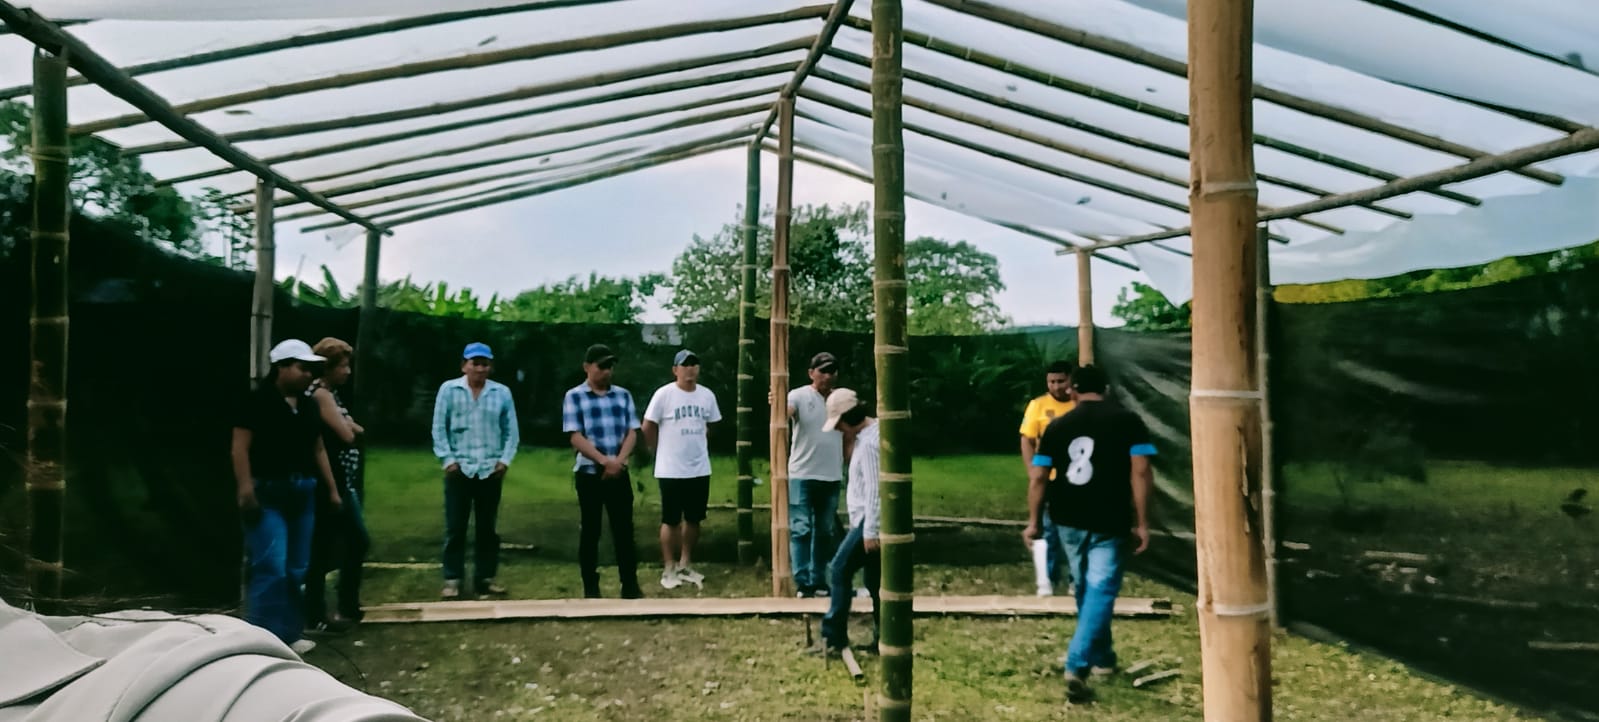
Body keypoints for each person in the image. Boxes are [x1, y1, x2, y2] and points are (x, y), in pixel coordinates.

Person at [1023, 365, 1156, 704]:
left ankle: (1103, 657)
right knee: (1100, 589)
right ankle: (1077, 663)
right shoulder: (1129, 421)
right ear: (1107, 389)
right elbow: (1141, 471)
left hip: (1066, 517)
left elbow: (1038, 477)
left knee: (1086, 587)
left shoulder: (1057, 426)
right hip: (1109, 518)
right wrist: (1142, 522)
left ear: (1073, 391)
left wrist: (1034, 521)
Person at [232, 339, 342, 655]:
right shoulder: (256, 401)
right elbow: (240, 447)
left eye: (312, 369)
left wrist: (332, 489)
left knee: (296, 569)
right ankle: (261, 641)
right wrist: (245, 488)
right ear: (281, 367)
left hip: (303, 492)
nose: (308, 375)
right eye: (302, 368)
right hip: (268, 492)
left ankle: (289, 634)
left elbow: (318, 448)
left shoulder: (308, 405)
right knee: (271, 566)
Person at [431, 341, 520, 600]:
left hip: (489, 469)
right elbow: (439, 427)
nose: (480, 369)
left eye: (485, 364)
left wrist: (504, 460)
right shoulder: (449, 390)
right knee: (455, 527)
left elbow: (511, 430)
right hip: (459, 468)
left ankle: (484, 579)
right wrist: (448, 460)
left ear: (490, 367)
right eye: (475, 363)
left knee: (487, 529)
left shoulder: (501, 393)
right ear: (464, 366)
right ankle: (452, 580)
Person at [563, 344, 644, 599]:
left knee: (624, 530)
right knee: (590, 530)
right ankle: (591, 587)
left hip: (618, 472)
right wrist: (603, 461)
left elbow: (632, 431)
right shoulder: (575, 396)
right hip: (589, 473)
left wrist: (618, 461)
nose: (607, 371)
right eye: (601, 366)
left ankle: (630, 585)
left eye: (610, 366)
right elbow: (575, 436)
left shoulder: (622, 396)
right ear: (587, 367)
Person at [302, 337, 371, 634]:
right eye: (343, 366)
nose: (348, 371)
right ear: (327, 367)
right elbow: (348, 434)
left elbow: (356, 428)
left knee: (347, 541)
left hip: (339, 478)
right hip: (328, 480)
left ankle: (344, 606)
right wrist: (350, 427)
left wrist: (351, 427)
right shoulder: (320, 394)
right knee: (331, 544)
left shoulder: (331, 394)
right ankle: (320, 611)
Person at [642, 349, 722, 590]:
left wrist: (699, 444)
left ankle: (685, 563)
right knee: (671, 519)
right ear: (675, 370)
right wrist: (657, 450)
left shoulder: (706, 395)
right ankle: (669, 566)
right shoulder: (664, 394)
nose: (690, 369)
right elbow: (648, 426)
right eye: (685, 365)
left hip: (698, 468)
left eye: (694, 364)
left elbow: (713, 425)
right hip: (671, 469)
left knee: (694, 518)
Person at [816, 389, 881, 656]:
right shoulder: (870, 435)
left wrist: (870, 530)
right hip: (866, 521)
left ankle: (833, 636)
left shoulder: (870, 444)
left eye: (839, 423)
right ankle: (883, 637)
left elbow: (876, 491)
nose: (838, 429)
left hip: (870, 521)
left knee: (840, 569)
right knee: (875, 581)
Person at [786, 351, 844, 597]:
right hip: (802, 473)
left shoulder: (841, 399)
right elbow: (786, 412)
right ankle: (803, 582)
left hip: (831, 475)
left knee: (824, 531)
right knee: (801, 528)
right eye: (823, 371)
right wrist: (777, 405)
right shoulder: (799, 395)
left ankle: (818, 580)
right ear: (811, 373)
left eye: (832, 371)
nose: (827, 376)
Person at [1019, 361, 1075, 596]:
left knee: (1074, 528)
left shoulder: (1078, 404)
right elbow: (1027, 438)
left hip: (1075, 476)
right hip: (1048, 476)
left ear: (1070, 380)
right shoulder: (1039, 405)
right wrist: (1032, 469)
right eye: (1051, 382)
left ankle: (1075, 580)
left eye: (1061, 381)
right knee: (1048, 528)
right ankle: (1047, 579)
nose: (1056, 386)